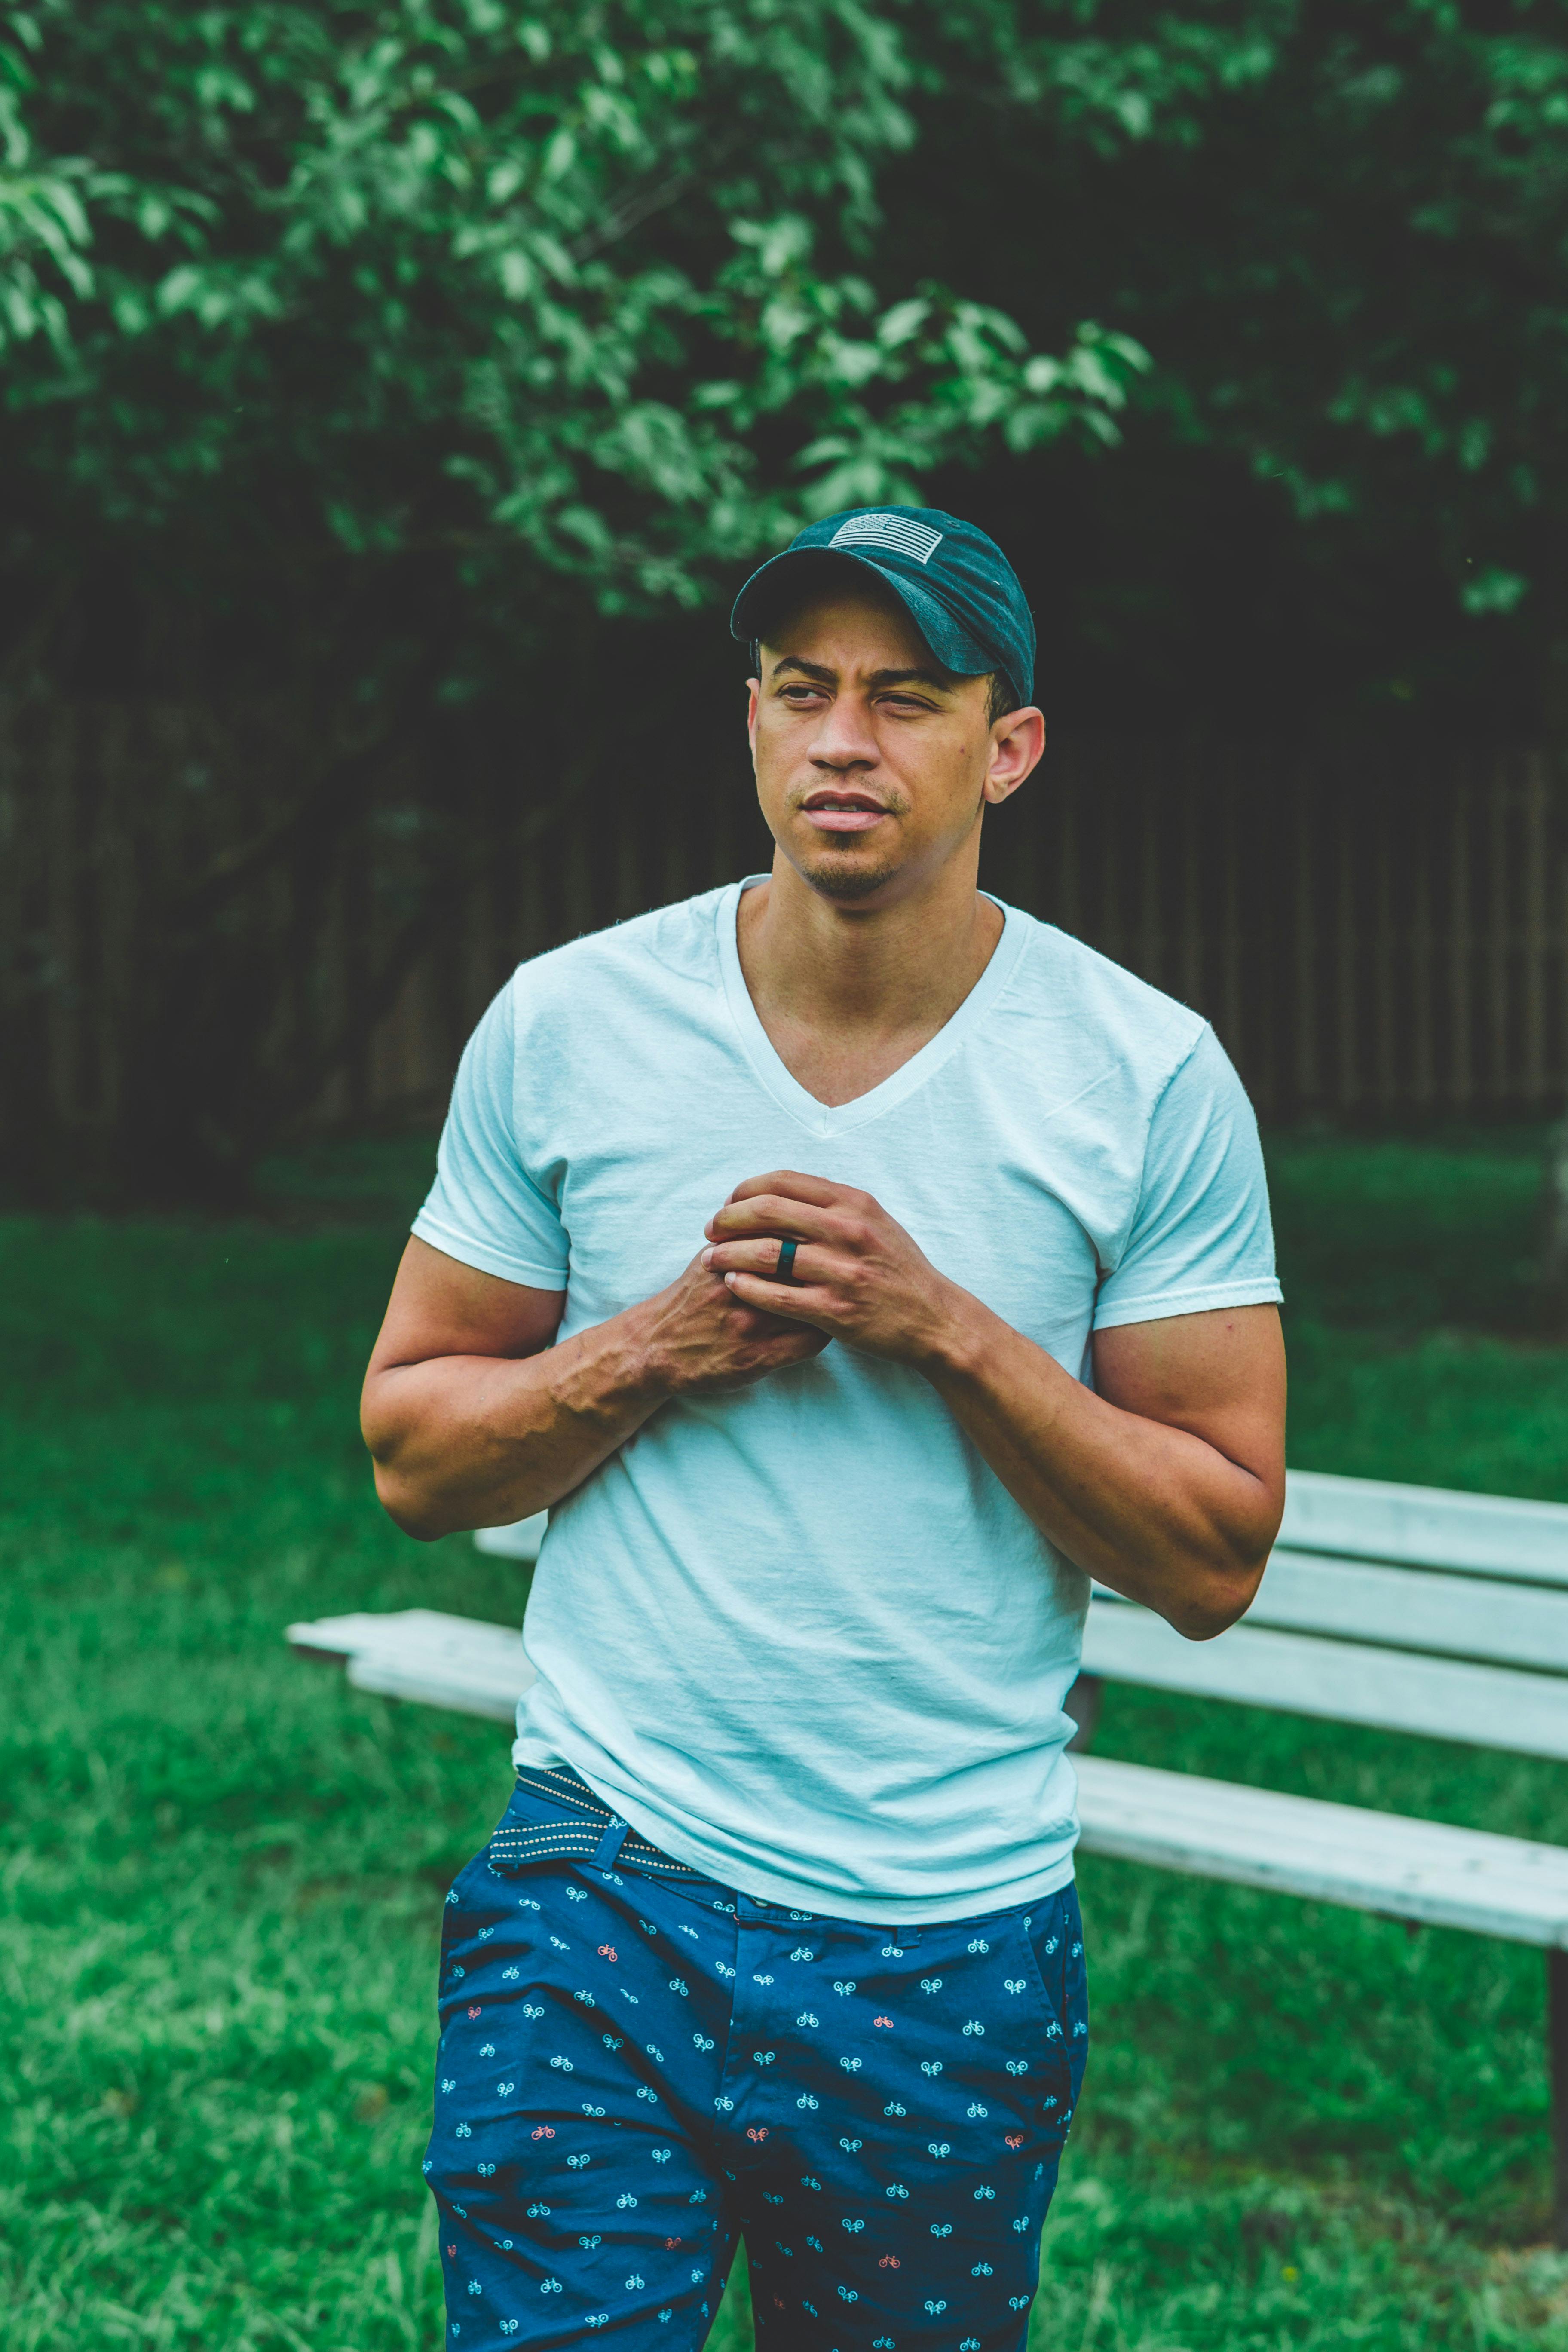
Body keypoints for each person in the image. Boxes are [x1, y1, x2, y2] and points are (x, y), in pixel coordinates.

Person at [361, 504, 1287, 2350]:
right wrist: (658, 1348)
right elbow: (413, 1450)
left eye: (907, 698)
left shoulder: (1141, 1075)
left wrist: (941, 1323)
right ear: (757, 725)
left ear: (1006, 747)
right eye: (800, 692)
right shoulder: (570, 1023)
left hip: (945, 1931)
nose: (842, 741)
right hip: (600, 1882)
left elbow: (1209, 1553)